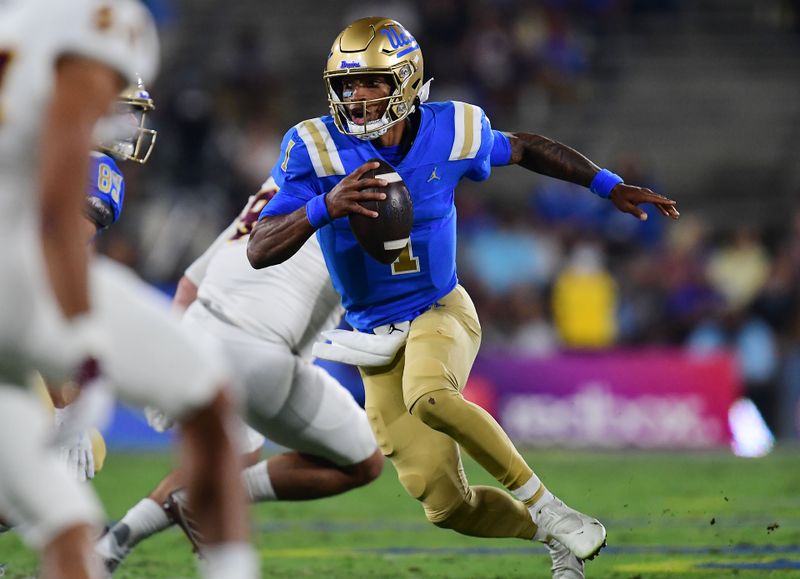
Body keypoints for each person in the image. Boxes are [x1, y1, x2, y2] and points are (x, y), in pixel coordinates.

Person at [247, 16, 679, 579]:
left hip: (439, 308)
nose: (356, 97)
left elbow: (523, 149)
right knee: (444, 505)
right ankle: (553, 536)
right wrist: (325, 207)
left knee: (430, 395)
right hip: (373, 339)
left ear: (405, 81)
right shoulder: (314, 149)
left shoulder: (452, 130)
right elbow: (259, 249)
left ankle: (551, 507)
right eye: (347, 84)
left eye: (372, 82)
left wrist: (607, 184)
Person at [0, 2, 257, 577]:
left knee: (60, 516)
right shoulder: (100, 24)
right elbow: (57, 227)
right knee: (208, 395)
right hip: (17, 272)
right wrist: (81, 359)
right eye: (118, 95)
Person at [97, 177, 383, 572]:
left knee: (234, 457)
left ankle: (108, 548)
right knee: (365, 462)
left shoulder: (283, 179)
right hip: (259, 352)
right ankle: (208, 498)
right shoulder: (371, 192)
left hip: (203, 326)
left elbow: (188, 285)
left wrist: (174, 363)